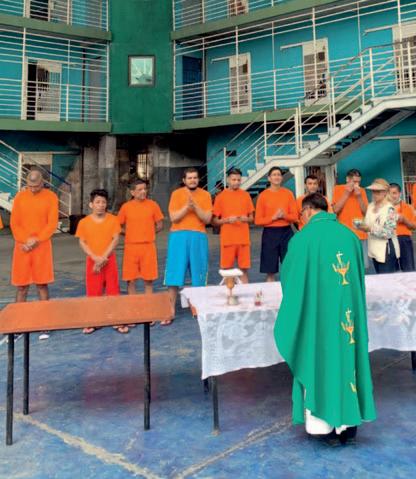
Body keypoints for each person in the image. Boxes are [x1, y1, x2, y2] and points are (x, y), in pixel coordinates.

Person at [275, 193, 376, 444]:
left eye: (301, 214)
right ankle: (349, 425)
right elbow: (358, 279)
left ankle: (323, 427)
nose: (301, 219)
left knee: (318, 360)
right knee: (346, 362)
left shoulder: (302, 239)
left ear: (308, 211)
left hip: (317, 318)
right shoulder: (350, 237)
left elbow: (290, 281)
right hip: (347, 316)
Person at [10, 169, 58, 340]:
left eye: (36, 186)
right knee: (21, 286)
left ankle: (45, 323)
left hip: (41, 247)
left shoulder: (51, 197)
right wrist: (25, 240)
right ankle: (18, 323)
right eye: (30, 186)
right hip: (22, 247)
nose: (32, 189)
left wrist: (36, 240)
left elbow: (52, 223)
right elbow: (14, 223)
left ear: (42, 182)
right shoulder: (20, 197)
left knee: (42, 284)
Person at [164, 168, 212, 321]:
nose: (193, 180)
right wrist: (186, 207)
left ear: (198, 179)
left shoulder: (205, 195)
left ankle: (198, 307)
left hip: (198, 235)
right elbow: (174, 218)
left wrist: (195, 206)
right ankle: (170, 309)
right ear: (184, 180)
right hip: (178, 236)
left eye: (195, 178)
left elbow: (207, 219)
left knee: (199, 272)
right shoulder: (176, 194)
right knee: (174, 272)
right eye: (189, 178)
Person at [75, 189, 125, 334]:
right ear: (91, 204)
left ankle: (116, 320)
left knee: (113, 290)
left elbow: (115, 239)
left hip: (109, 260)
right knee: (93, 291)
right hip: (92, 261)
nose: (101, 205)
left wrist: (103, 257)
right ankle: (94, 320)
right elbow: (82, 242)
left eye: (103, 202)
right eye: (97, 202)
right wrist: (94, 257)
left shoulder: (113, 220)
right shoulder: (84, 222)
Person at [118, 179, 164, 294]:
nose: (143, 191)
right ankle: (133, 303)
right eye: (140, 190)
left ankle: (148, 303)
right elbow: (117, 226)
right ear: (132, 192)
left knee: (149, 280)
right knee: (130, 280)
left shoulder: (153, 205)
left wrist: (148, 233)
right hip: (131, 247)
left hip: (148, 247)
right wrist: (129, 233)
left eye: (145, 189)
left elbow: (160, 225)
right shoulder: (126, 207)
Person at [254, 166, 297, 282]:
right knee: (270, 270)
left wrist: (284, 216)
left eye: (279, 175)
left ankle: (289, 290)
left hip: (286, 232)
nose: (277, 177)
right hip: (270, 234)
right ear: (269, 178)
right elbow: (258, 220)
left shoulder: (288, 194)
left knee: (289, 266)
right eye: (274, 175)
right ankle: (270, 290)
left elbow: (295, 217)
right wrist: (273, 218)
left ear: (281, 178)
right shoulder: (263, 196)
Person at [212, 167, 254, 283]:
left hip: (243, 240)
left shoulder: (246, 195)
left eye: (238, 180)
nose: (236, 182)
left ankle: (245, 292)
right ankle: (229, 292)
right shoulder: (220, 197)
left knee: (244, 270)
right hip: (228, 240)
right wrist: (226, 220)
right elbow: (214, 221)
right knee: (227, 271)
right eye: (234, 180)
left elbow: (252, 218)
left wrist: (246, 219)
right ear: (228, 180)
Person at [355, 179, 399, 274]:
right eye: (373, 191)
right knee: (379, 278)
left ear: (385, 192)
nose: (375, 194)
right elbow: (368, 224)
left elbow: (388, 233)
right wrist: (360, 225)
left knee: (386, 280)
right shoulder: (370, 206)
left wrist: (369, 229)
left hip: (386, 250)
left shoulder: (390, 209)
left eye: (378, 191)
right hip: (374, 248)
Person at [332, 169, 369, 267]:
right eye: (354, 182)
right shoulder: (338, 189)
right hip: (345, 233)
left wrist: (359, 196)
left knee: (363, 265)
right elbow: (335, 210)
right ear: (347, 179)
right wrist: (346, 193)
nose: (357, 185)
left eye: (358, 182)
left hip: (361, 233)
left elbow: (366, 212)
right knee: (347, 264)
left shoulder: (362, 191)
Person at [389, 183, 415, 272]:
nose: (392, 196)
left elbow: (413, 226)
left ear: (400, 193)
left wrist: (405, 220)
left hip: (404, 239)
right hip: (389, 240)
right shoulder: (383, 209)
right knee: (391, 270)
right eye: (389, 193)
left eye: (394, 193)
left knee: (408, 269)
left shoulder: (408, 207)